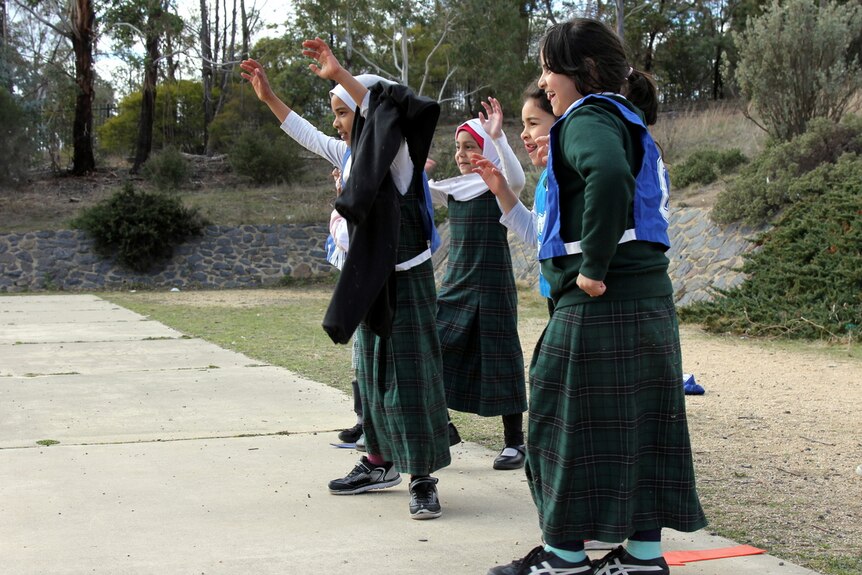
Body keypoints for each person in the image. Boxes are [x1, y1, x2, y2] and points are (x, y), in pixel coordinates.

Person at [479, 18, 707, 575]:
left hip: (602, 303)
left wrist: (593, 267)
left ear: (582, 72)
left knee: (561, 425)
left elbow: (606, 175)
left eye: (548, 68)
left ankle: (563, 559)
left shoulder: (587, 116)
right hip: (647, 304)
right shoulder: (629, 120)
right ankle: (642, 558)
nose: (543, 80)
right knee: (638, 429)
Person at [241, 38, 451, 520]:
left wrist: (341, 77)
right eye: (335, 113)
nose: (337, 121)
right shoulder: (351, 155)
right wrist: (270, 96)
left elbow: (384, 108)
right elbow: (307, 135)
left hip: (406, 280)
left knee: (412, 378)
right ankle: (380, 462)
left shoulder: (396, 155)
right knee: (373, 374)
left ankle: (422, 477)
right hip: (371, 282)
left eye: (343, 111)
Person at [427, 98, 528, 471]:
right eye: (458, 147)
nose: (462, 154)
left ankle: (515, 443)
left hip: (492, 284)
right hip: (455, 284)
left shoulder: (497, 185)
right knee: (429, 348)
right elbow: (411, 187)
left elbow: (516, 179)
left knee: (500, 357)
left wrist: (498, 138)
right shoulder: (452, 189)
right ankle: (443, 425)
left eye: (470, 146)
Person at [474, 83, 558, 316]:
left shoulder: (572, 176)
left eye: (533, 123)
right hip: (554, 293)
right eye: (524, 124)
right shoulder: (545, 181)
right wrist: (501, 189)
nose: (523, 134)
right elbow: (534, 233)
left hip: (578, 293)